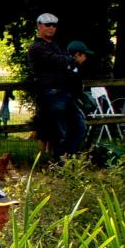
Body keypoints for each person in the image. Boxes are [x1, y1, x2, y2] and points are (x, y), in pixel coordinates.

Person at [27, 13, 86, 158]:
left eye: (54, 25)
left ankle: (69, 159)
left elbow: (64, 62)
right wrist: (69, 61)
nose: (51, 28)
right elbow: (60, 61)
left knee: (79, 126)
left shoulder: (55, 46)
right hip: (50, 94)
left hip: (65, 93)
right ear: (39, 26)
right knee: (60, 132)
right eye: (48, 25)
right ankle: (60, 163)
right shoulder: (36, 48)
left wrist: (67, 62)